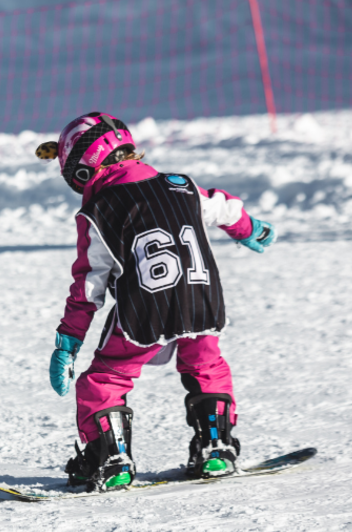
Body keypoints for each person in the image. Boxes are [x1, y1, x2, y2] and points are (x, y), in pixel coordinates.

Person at [36, 112, 277, 492]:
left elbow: (88, 285)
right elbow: (225, 207)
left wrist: (68, 341)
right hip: (202, 300)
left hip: (142, 311)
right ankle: (216, 448)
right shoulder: (182, 185)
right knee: (206, 365)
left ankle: (111, 458)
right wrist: (250, 229)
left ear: (83, 169)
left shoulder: (97, 210)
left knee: (106, 377)